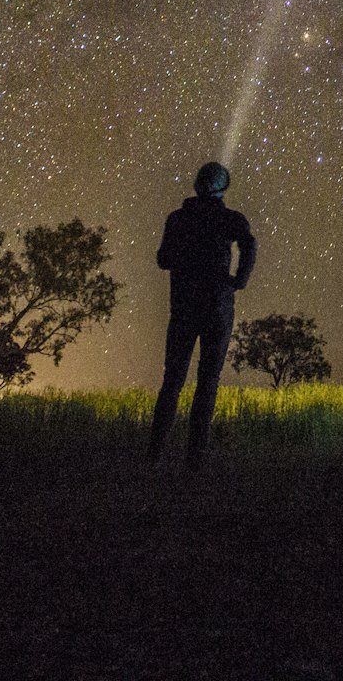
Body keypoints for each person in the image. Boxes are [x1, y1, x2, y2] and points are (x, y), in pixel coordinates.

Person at [148, 160, 256, 467]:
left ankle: (155, 454)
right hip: (219, 308)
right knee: (208, 381)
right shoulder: (231, 219)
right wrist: (239, 279)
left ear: (196, 185)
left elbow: (163, 260)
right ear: (223, 189)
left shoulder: (178, 218)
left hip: (183, 307)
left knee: (173, 380)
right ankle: (194, 458)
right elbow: (250, 244)